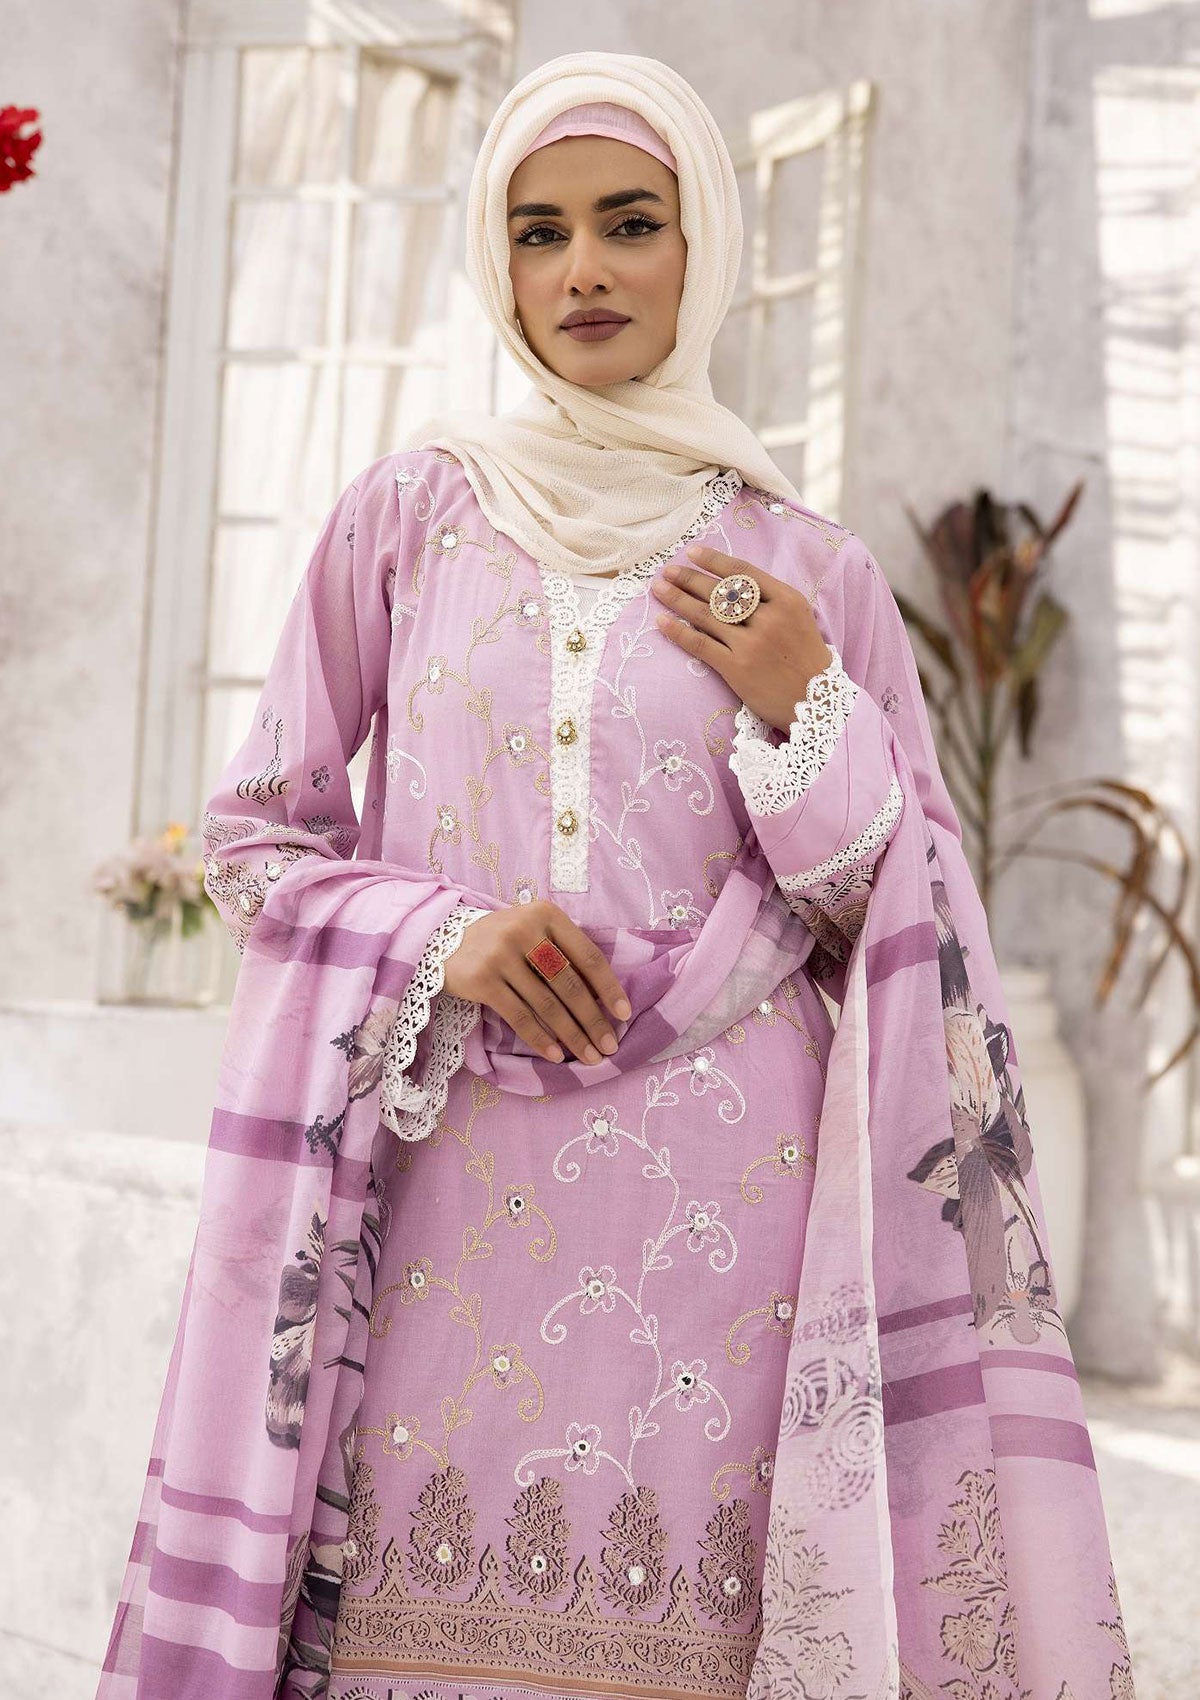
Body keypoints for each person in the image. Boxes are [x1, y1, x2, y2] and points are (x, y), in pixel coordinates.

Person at [97, 50, 1135, 1700]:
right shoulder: (406, 521)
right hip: (452, 1206)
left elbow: (908, 923)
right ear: (499, 262)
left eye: (631, 223)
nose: (583, 267)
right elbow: (255, 837)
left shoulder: (806, 570)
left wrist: (810, 705)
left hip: (734, 1231)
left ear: (699, 246)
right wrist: (438, 936)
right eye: (542, 231)